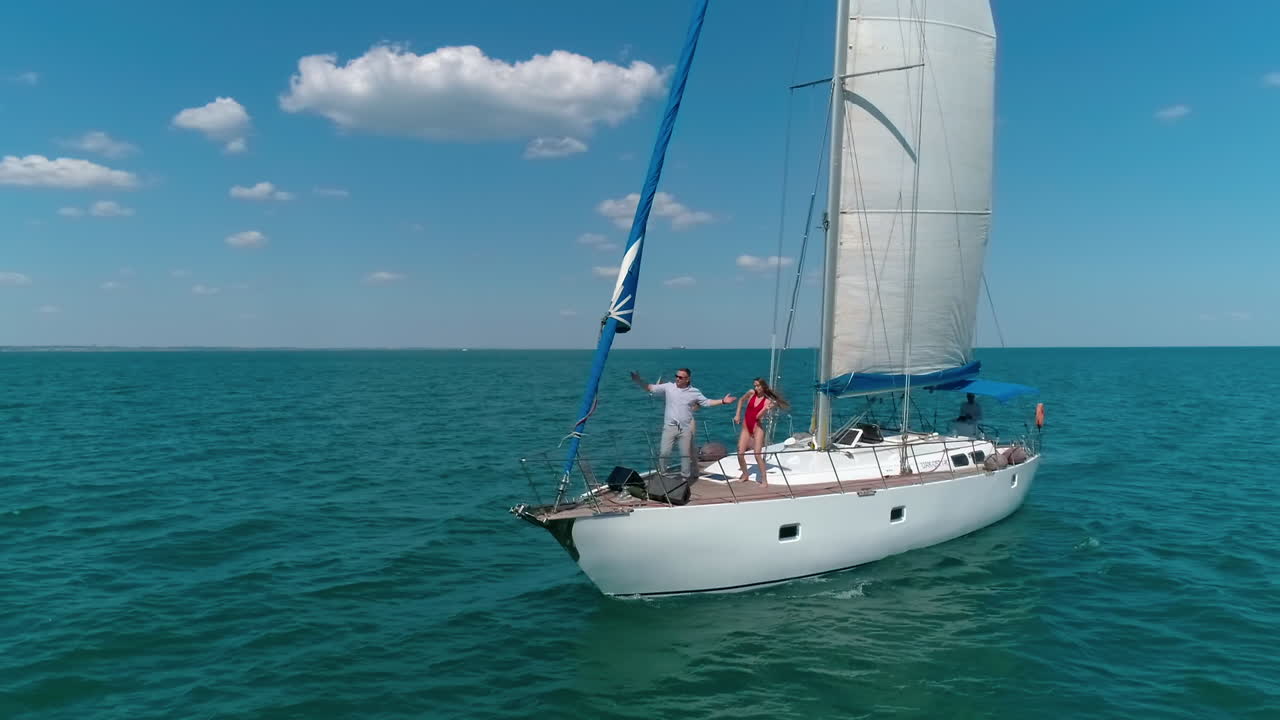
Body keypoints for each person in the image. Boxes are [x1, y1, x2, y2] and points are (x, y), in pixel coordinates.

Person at [630, 368, 735, 481]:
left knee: (685, 455)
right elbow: (650, 388)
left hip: (685, 428)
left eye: (680, 377)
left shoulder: (694, 392)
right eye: (676, 376)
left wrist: (722, 401)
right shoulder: (668, 387)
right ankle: (663, 474)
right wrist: (638, 380)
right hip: (670, 427)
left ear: (687, 379)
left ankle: (685, 478)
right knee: (664, 452)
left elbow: (706, 402)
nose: (677, 379)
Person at [733, 377, 789, 485]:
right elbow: (741, 400)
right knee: (740, 453)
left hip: (757, 429)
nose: (756, 388)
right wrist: (737, 414)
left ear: (763, 386)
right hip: (746, 428)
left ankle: (764, 479)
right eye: (755, 385)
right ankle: (745, 474)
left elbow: (758, 417)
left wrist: (765, 409)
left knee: (757, 454)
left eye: (758, 386)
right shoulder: (751, 393)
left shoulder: (767, 401)